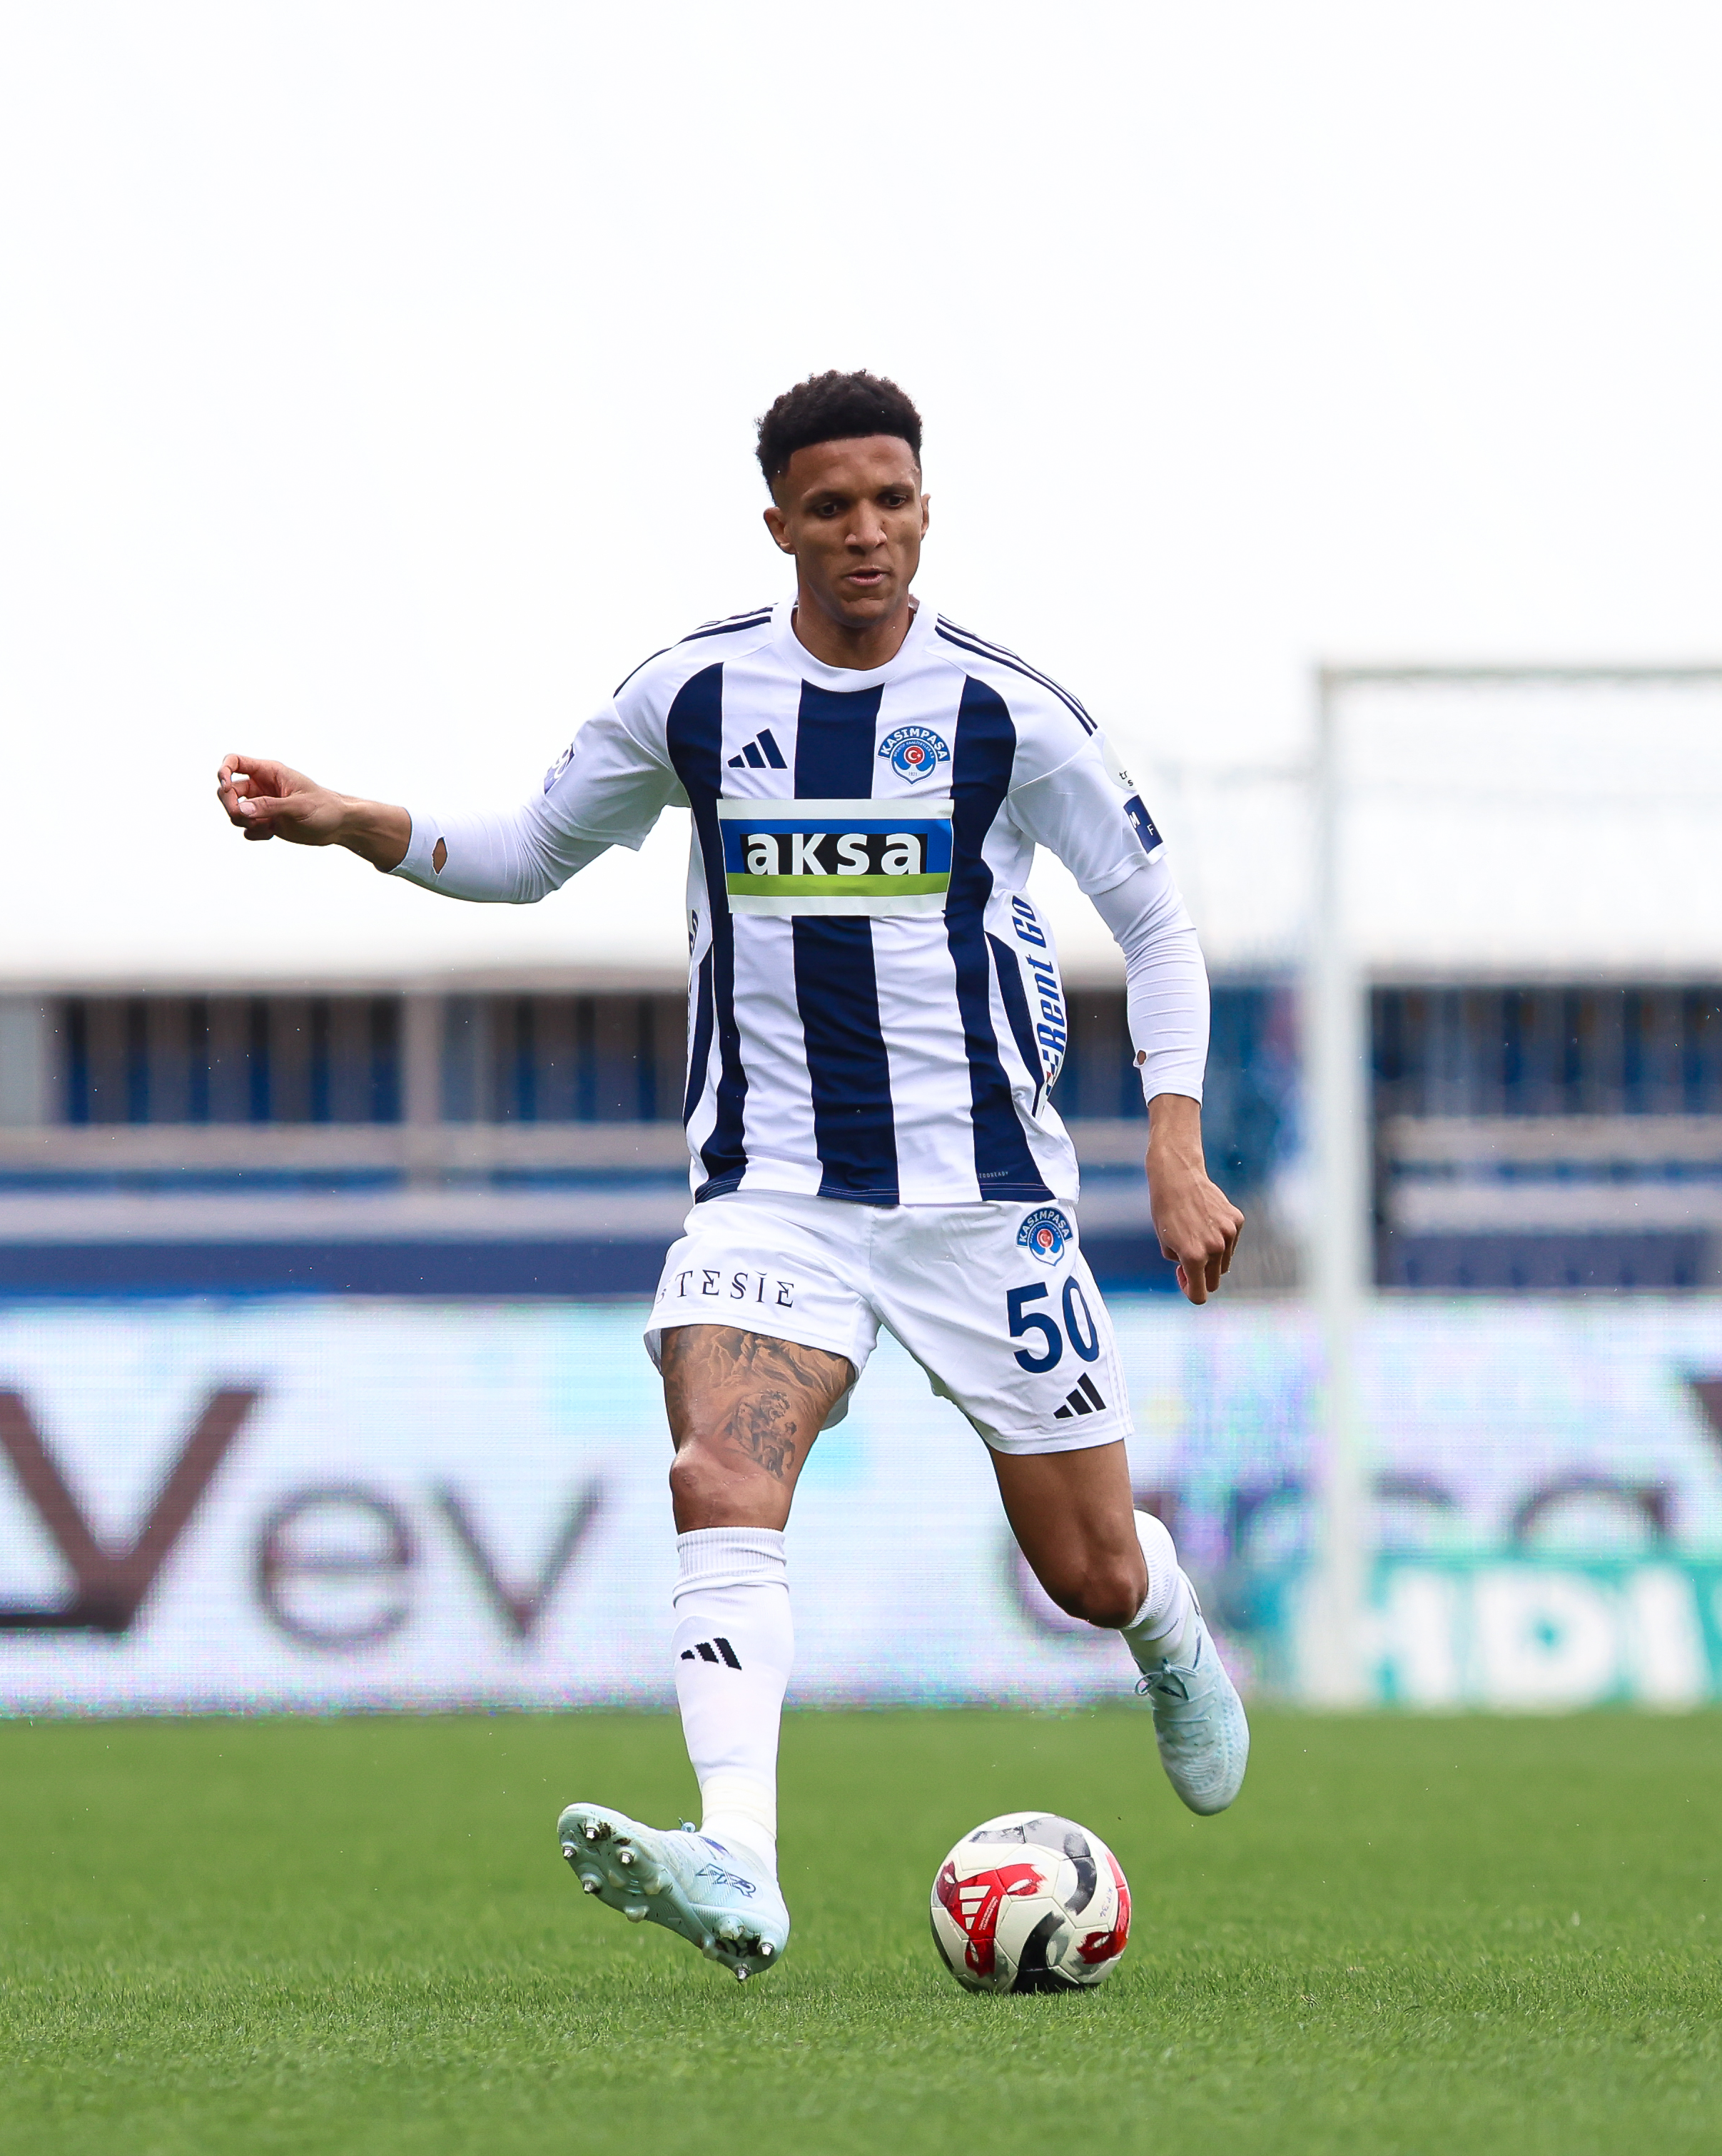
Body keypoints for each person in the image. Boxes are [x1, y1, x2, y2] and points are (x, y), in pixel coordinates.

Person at [216, 369, 1248, 1984]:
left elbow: (1157, 924)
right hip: (772, 1191)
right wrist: (352, 819)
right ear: (779, 524)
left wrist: (1171, 1145)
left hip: (984, 1201)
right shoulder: (695, 694)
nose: (865, 532)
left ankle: (1166, 1628)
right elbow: (531, 851)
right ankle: (739, 1859)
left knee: (1088, 1567)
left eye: (891, 500)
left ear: (927, 510)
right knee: (718, 1471)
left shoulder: (1008, 712)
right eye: (831, 507)